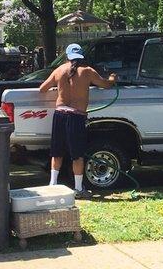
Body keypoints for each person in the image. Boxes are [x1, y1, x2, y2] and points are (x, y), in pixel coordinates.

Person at [39, 43, 117, 198]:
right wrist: (113, 78)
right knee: (77, 155)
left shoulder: (59, 70)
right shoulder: (87, 72)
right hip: (76, 116)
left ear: (67, 56)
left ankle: (53, 185)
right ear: (81, 57)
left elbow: (42, 89)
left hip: (60, 114)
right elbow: (106, 85)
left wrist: (58, 87)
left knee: (57, 152)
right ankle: (78, 189)